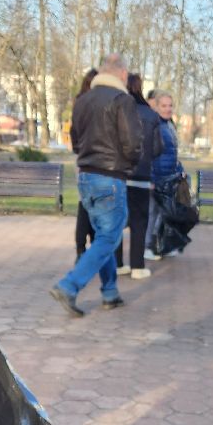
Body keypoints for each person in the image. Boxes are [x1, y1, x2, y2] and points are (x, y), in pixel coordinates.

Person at [51, 52, 141, 317]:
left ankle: (110, 292)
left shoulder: (82, 101)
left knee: (104, 235)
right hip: (110, 177)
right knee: (109, 237)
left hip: (86, 176)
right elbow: (133, 143)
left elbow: (75, 140)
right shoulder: (122, 100)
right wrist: (130, 164)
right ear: (122, 74)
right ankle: (69, 285)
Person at [118, 71, 161, 279]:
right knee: (139, 221)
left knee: (118, 221)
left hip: (119, 175)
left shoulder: (118, 110)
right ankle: (137, 266)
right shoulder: (151, 115)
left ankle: (118, 264)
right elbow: (158, 147)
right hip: (142, 175)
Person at [145, 90, 186, 260]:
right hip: (157, 178)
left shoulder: (169, 125)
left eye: (170, 105)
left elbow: (172, 153)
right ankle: (148, 247)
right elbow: (149, 154)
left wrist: (180, 169)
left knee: (166, 214)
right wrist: (151, 179)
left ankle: (163, 246)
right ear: (156, 107)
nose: (168, 109)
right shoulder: (154, 125)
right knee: (153, 213)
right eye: (164, 106)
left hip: (169, 177)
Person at [73, 68, 100, 260]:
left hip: (83, 161)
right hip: (94, 162)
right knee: (91, 207)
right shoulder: (94, 105)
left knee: (85, 205)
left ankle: (82, 248)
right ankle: (88, 245)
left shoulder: (79, 103)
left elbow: (74, 136)